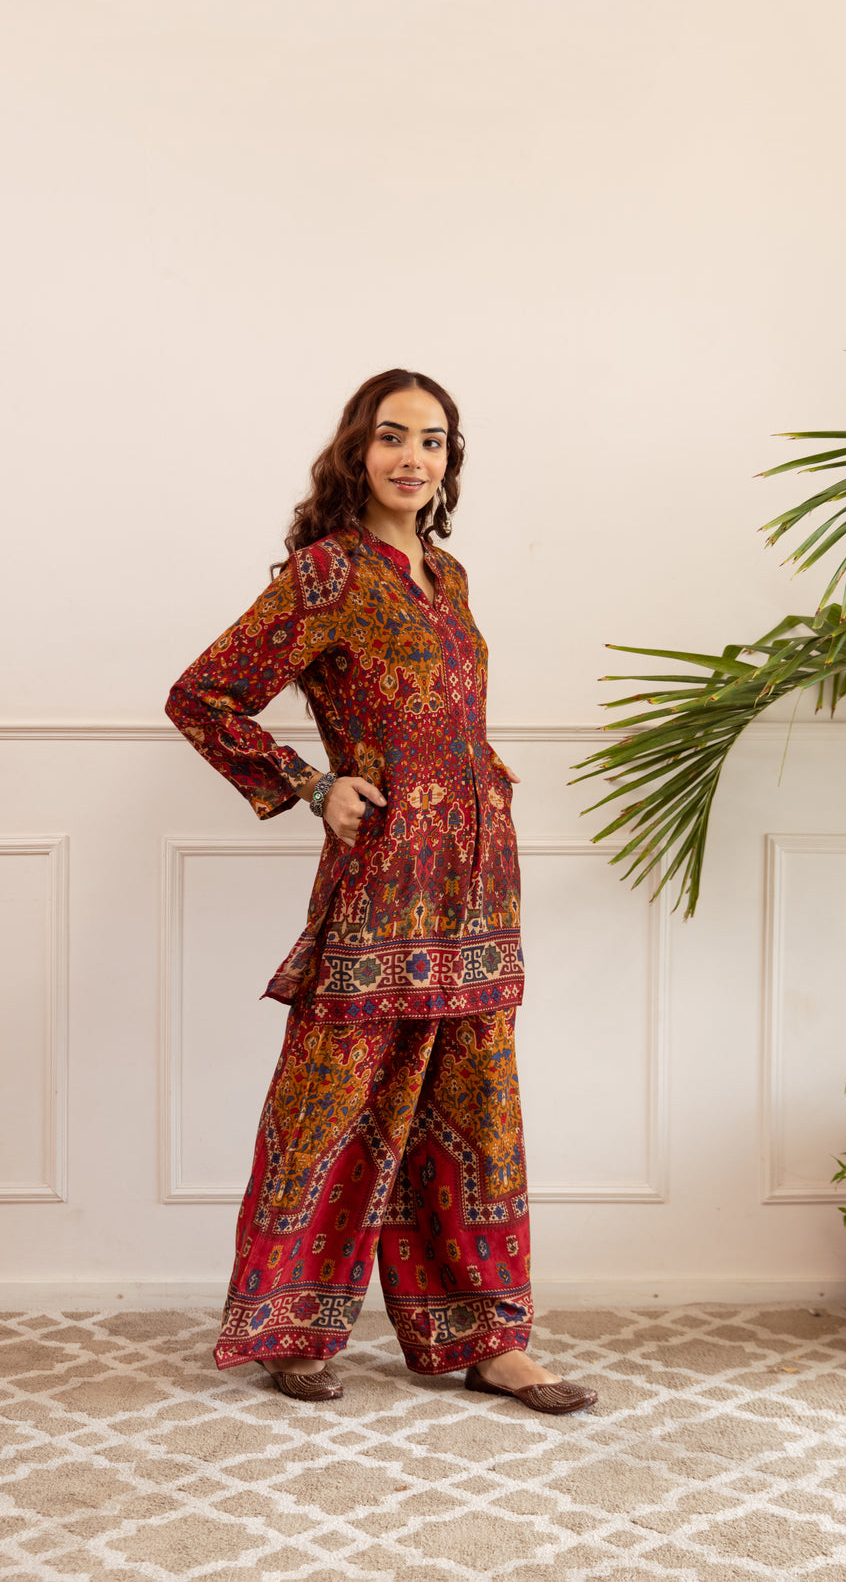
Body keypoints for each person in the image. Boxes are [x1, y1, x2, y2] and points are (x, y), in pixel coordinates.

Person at [165, 369, 597, 1416]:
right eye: (393, 436)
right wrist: (315, 785)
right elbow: (203, 695)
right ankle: (289, 1326)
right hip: (382, 878)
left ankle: (487, 1338)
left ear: (450, 461)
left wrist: (480, 778)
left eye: (433, 440)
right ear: (357, 451)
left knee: (475, 1109)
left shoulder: (448, 576)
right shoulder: (327, 574)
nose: (413, 456)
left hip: (477, 881)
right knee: (330, 1102)